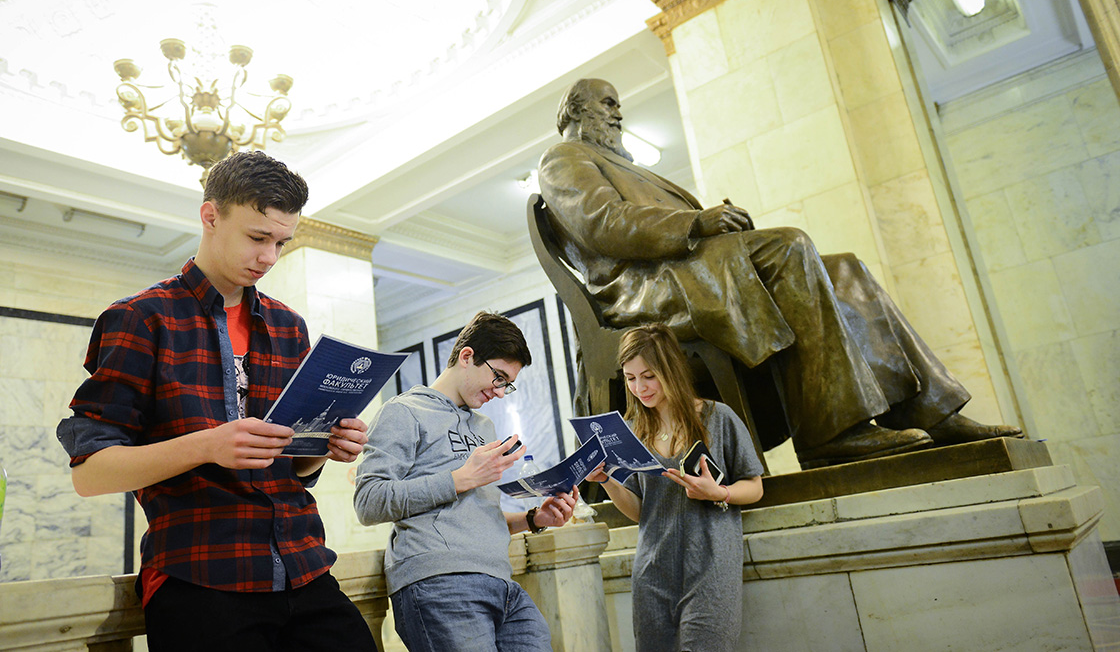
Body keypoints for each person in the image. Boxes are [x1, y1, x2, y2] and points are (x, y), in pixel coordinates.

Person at [538, 78, 1021, 469]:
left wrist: (710, 223)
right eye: (607, 103)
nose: (618, 113)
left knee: (844, 268)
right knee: (789, 245)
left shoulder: (622, 163)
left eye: (617, 103)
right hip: (644, 292)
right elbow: (603, 223)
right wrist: (696, 222)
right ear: (576, 112)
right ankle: (828, 433)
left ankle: (932, 411)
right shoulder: (564, 159)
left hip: (687, 268)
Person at [55, 151, 376, 652]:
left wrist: (327, 443)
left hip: (305, 565)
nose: (270, 257)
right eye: (257, 237)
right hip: (200, 574)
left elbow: (294, 468)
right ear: (210, 216)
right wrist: (207, 445)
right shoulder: (142, 318)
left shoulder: (288, 326)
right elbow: (89, 474)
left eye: (281, 242)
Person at [354, 311, 579, 652]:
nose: (501, 393)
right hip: (439, 582)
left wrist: (534, 519)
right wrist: (459, 478)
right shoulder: (403, 411)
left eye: (508, 384)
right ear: (467, 356)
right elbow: (368, 502)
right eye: (499, 377)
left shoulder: (484, 427)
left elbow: (474, 515)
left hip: (503, 585)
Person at [586, 323, 764, 652]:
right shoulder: (632, 433)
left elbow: (754, 487)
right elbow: (643, 512)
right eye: (630, 378)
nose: (640, 387)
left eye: (649, 375)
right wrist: (607, 481)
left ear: (670, 368)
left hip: (710, 569)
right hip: (651, 574)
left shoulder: (717, 418)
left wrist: (719, 493)